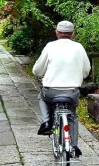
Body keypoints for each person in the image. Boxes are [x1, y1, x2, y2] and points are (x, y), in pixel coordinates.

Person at [32, 20, 91, 158]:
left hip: (51, 91)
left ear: (57, 33)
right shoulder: (79, 47)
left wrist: (41, 73)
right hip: (72, 92)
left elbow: (37, 70)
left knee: (41, 96)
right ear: (72, 34)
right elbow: (86, 70)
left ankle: (46, 121)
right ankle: (74, 145)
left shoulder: (50, 46)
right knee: (72, 115)